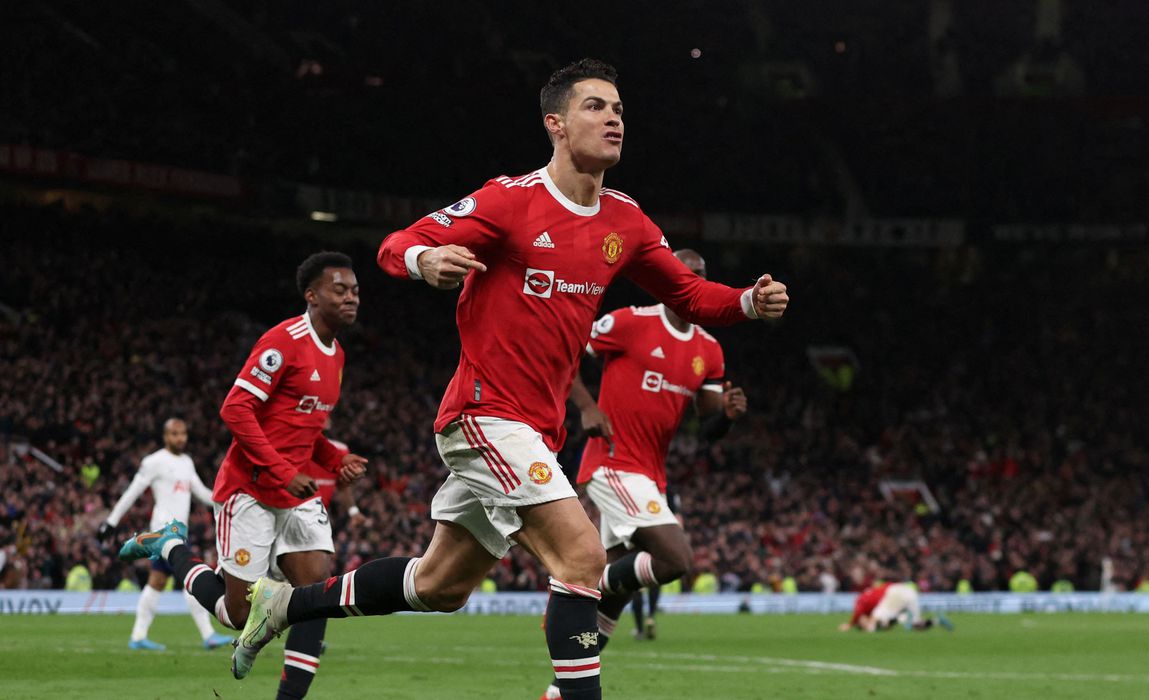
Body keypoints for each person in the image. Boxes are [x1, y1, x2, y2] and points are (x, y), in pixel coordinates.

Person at [222, 58, 789, 700]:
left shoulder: (625, 220)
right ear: (555, 124)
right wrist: (425, 258)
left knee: (439, 586)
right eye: (595, 106)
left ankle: (283, 605)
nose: (613, 119)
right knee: (583, 556)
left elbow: (689, 294)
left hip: (536, 431)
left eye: (619, 110)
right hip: (484, 414)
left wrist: (748, 301)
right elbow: (394, 244)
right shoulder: (510, 201)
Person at [119, 251, 368, 699]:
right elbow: (235, 409)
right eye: (340, 290)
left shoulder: (337, 356)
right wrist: (282, 470)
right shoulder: (284, 341)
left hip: (295, 494)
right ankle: (169, 545)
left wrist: (334, 461)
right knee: (236, 615)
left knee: (316, 595)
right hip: (248, 490)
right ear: (312, 296)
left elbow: (304, 428)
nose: (351, 297)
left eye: (354, 290)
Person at [542, 249, 748, 700]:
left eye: (701, 276)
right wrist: (587, 407)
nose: (693, 282)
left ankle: (560, 691)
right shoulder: (631, 322)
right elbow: (566, 352)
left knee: (619, 594)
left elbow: (709, 428)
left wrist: (728, 418)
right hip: (613, 462)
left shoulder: (709, 351)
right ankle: (584, 589)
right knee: (675, 559)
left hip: (651, 474)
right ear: (667, 278)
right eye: (686, 274)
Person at [99, 418, 234, 650]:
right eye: (174, 434)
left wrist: (228, 501)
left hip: (179, 533)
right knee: (191, 576)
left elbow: (202, 493)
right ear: (165, 436)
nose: (180, 438)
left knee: (157, 581)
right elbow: (133, 491)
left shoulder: (187, 462)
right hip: (164, 532)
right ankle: (208, 635)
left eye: (183, 433)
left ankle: (138, 637)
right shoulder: (154, 462)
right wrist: (111, 521)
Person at [837, 581, 953, 632]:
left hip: (895, 592)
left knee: (872, 624)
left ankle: (902, 618)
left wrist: (850, 624)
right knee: (916, 624)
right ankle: (936, 621)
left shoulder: (860, 601)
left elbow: (858, 613)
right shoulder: (875, 591)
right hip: (908, 591)